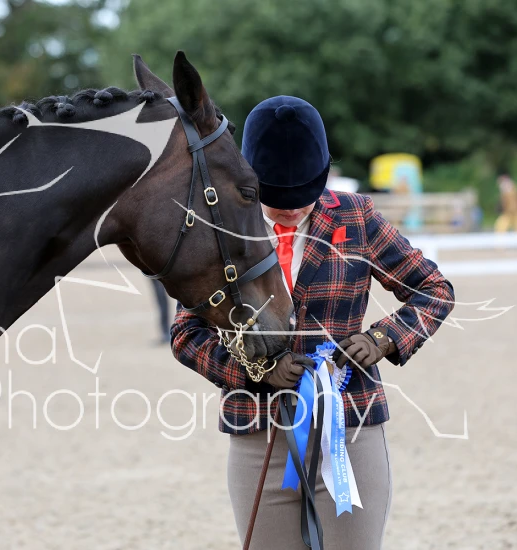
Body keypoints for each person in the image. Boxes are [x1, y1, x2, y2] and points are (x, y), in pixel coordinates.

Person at [170, 96, 455, 549]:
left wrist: (383, 338)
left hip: (350, 426)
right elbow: (186, 333)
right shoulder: (221, 227)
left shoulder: (357, 216)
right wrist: (254, 370)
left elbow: (434, 290)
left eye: (302, 197)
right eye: (277, 199)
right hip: (257, 429)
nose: (290, 210)